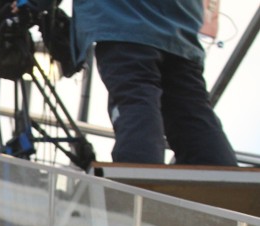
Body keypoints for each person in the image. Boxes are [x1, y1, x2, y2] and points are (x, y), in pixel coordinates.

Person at [71, 0, 238, 166]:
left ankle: (138, 182)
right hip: (182, 28)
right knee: (192, 114)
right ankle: (226, 183)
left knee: (136, 101)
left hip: (125, 24)